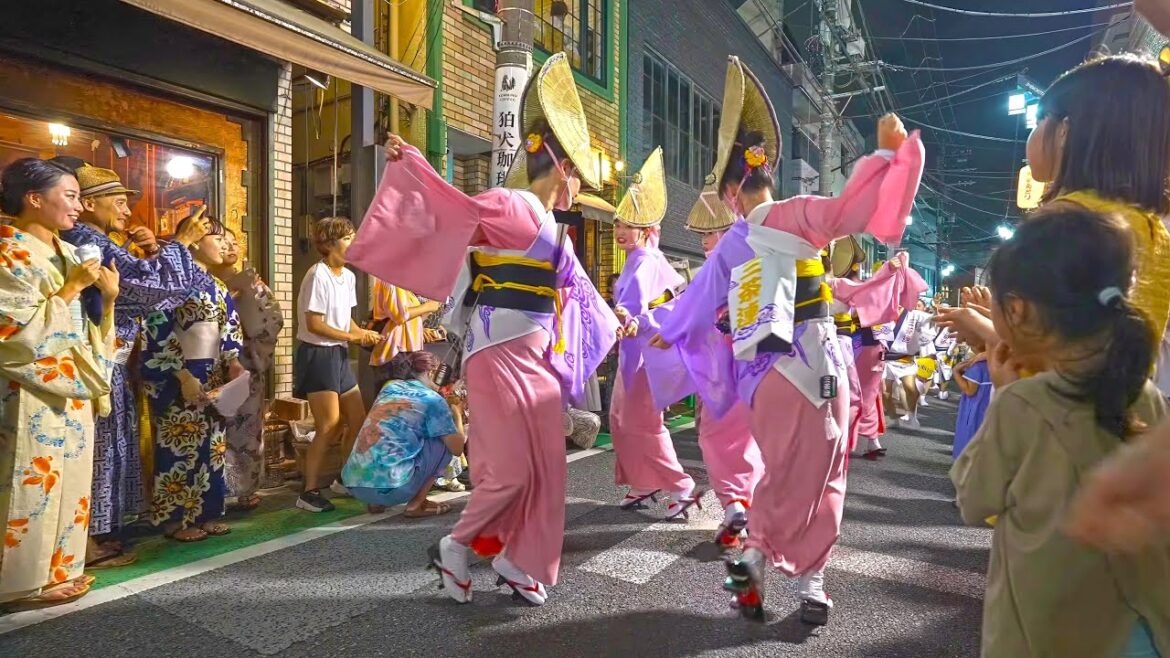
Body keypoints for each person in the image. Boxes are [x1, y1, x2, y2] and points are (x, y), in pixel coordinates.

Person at [650, 56, 924, 625]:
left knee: (778, 470)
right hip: (818, 363)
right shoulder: (798, 215)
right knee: (826, 473)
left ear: (730, 192)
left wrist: (661, 335)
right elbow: (854, 212)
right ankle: (812, 584)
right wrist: (883, 154)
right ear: (767, 172)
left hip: (763, 378)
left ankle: (753, 557)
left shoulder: (729, 245)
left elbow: (693, 311)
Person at [350, 54, 618, 606]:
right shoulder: (510, 204)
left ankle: (520, 561)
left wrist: (628, 324)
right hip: (498, 354)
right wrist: (417, 166)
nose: (575, 182)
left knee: (546, 471)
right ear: (558, 166)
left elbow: (585, 296)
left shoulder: (555, 230)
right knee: (510, 474)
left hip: (535, 361)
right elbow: (452, 210)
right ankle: (457, 544)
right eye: (572, 169)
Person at [952, 206, 1170, 658]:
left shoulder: (1019, 404)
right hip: (1130, 629)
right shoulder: (1144, 394)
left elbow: (974, 500)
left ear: (1017, 309)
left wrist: (999, 396)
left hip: (1037, 635)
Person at [60, 165, 212, 567]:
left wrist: (162, 251)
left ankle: (94, 537)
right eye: (120, 202)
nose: (128, 212)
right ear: (88, 203)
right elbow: (157, 289)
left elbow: (159, 291)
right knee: (97, 453)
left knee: (107, 450)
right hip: (96, 364)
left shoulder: (98, 239)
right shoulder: (86, 238)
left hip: (110, 363)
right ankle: (84, 545)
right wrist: (177, 244)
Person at [0, 159, 118, 609]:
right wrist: (70, 291)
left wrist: (106, 300)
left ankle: (59, 569)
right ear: (34, 198)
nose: (77, 206)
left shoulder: (70, 254)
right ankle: (19, 583)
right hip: (29, 386)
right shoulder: (8, 251)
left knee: (67, 478)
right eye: (69, 196)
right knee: (27, 479)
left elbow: (86, 327)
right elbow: (13, 332)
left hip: (72, 380)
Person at [1028, 54, 1170, 361]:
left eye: (1039, 119)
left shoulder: (1065, 219)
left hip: (1047, 405)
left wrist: (989, 332)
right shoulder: (1153, 229)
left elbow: (1050, 353)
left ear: (1065, 131)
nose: (1035, 131)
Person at [609, 148, 700, 519]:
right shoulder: (645, 258)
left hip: (644, 355)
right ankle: (646, 481)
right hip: (640, 352)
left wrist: (628, 318)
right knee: (623, 419)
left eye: (625, 226)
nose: (618, 231)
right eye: (617, 224)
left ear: (645, 231)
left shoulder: (645, 259)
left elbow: (638, 306)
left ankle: (682, 485)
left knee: (641, 422)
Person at [140, 214, 244, 542]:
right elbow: (156, 328)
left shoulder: (219, 286)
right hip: (178, 373)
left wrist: (234, 362)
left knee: (212, 448)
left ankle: (207, 511)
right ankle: (175, 520)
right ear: (195, 241)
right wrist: (181, 374)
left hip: (212, 374)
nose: (226, 244)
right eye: (218, 238)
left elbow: (230, 330)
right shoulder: (174, 279)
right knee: (178, 445)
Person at [293, 217, 383, 513]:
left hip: (339, 354)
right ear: (329, 243)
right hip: (318, 355)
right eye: (348, 238)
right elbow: (315, 324)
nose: (354, 243)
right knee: (329, 425)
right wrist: (352, 336)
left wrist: (364, 335)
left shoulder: (348, 276)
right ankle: (308, 492)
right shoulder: (317, 275)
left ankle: (343, 478)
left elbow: (346, 321)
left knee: (357, 420)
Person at [209, 227, 283, 510]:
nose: (229, 246)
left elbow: (273, 323)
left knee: (248, 428)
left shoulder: (255, 285)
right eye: (222, 242)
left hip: (247, 362)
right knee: (219, 430)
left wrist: (251, 345)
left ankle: (245, 488)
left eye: (233, 241)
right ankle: (216, 491)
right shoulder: (207, 283)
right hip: (214, 364)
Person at [341, 351, 464, 516]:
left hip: (354, 484)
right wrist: (457, 413)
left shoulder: (390, 387)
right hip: (395, 488)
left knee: (385, 434)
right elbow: (457, 448)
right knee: (443, 440)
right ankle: (417, 505)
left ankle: (375, 502)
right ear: (432, 372)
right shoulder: (434, 400)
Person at [369, 278, 441, 368]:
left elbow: (412, 317)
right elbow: (400, 315)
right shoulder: (392, 280)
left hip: (408, 350)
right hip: (395, 351)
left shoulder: (404, 285)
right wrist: (428, 306)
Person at [950, 347, 991, 461]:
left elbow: (969, 390)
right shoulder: (998, 361)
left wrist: (956, 372)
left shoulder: (978, 365)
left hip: (976, 408)